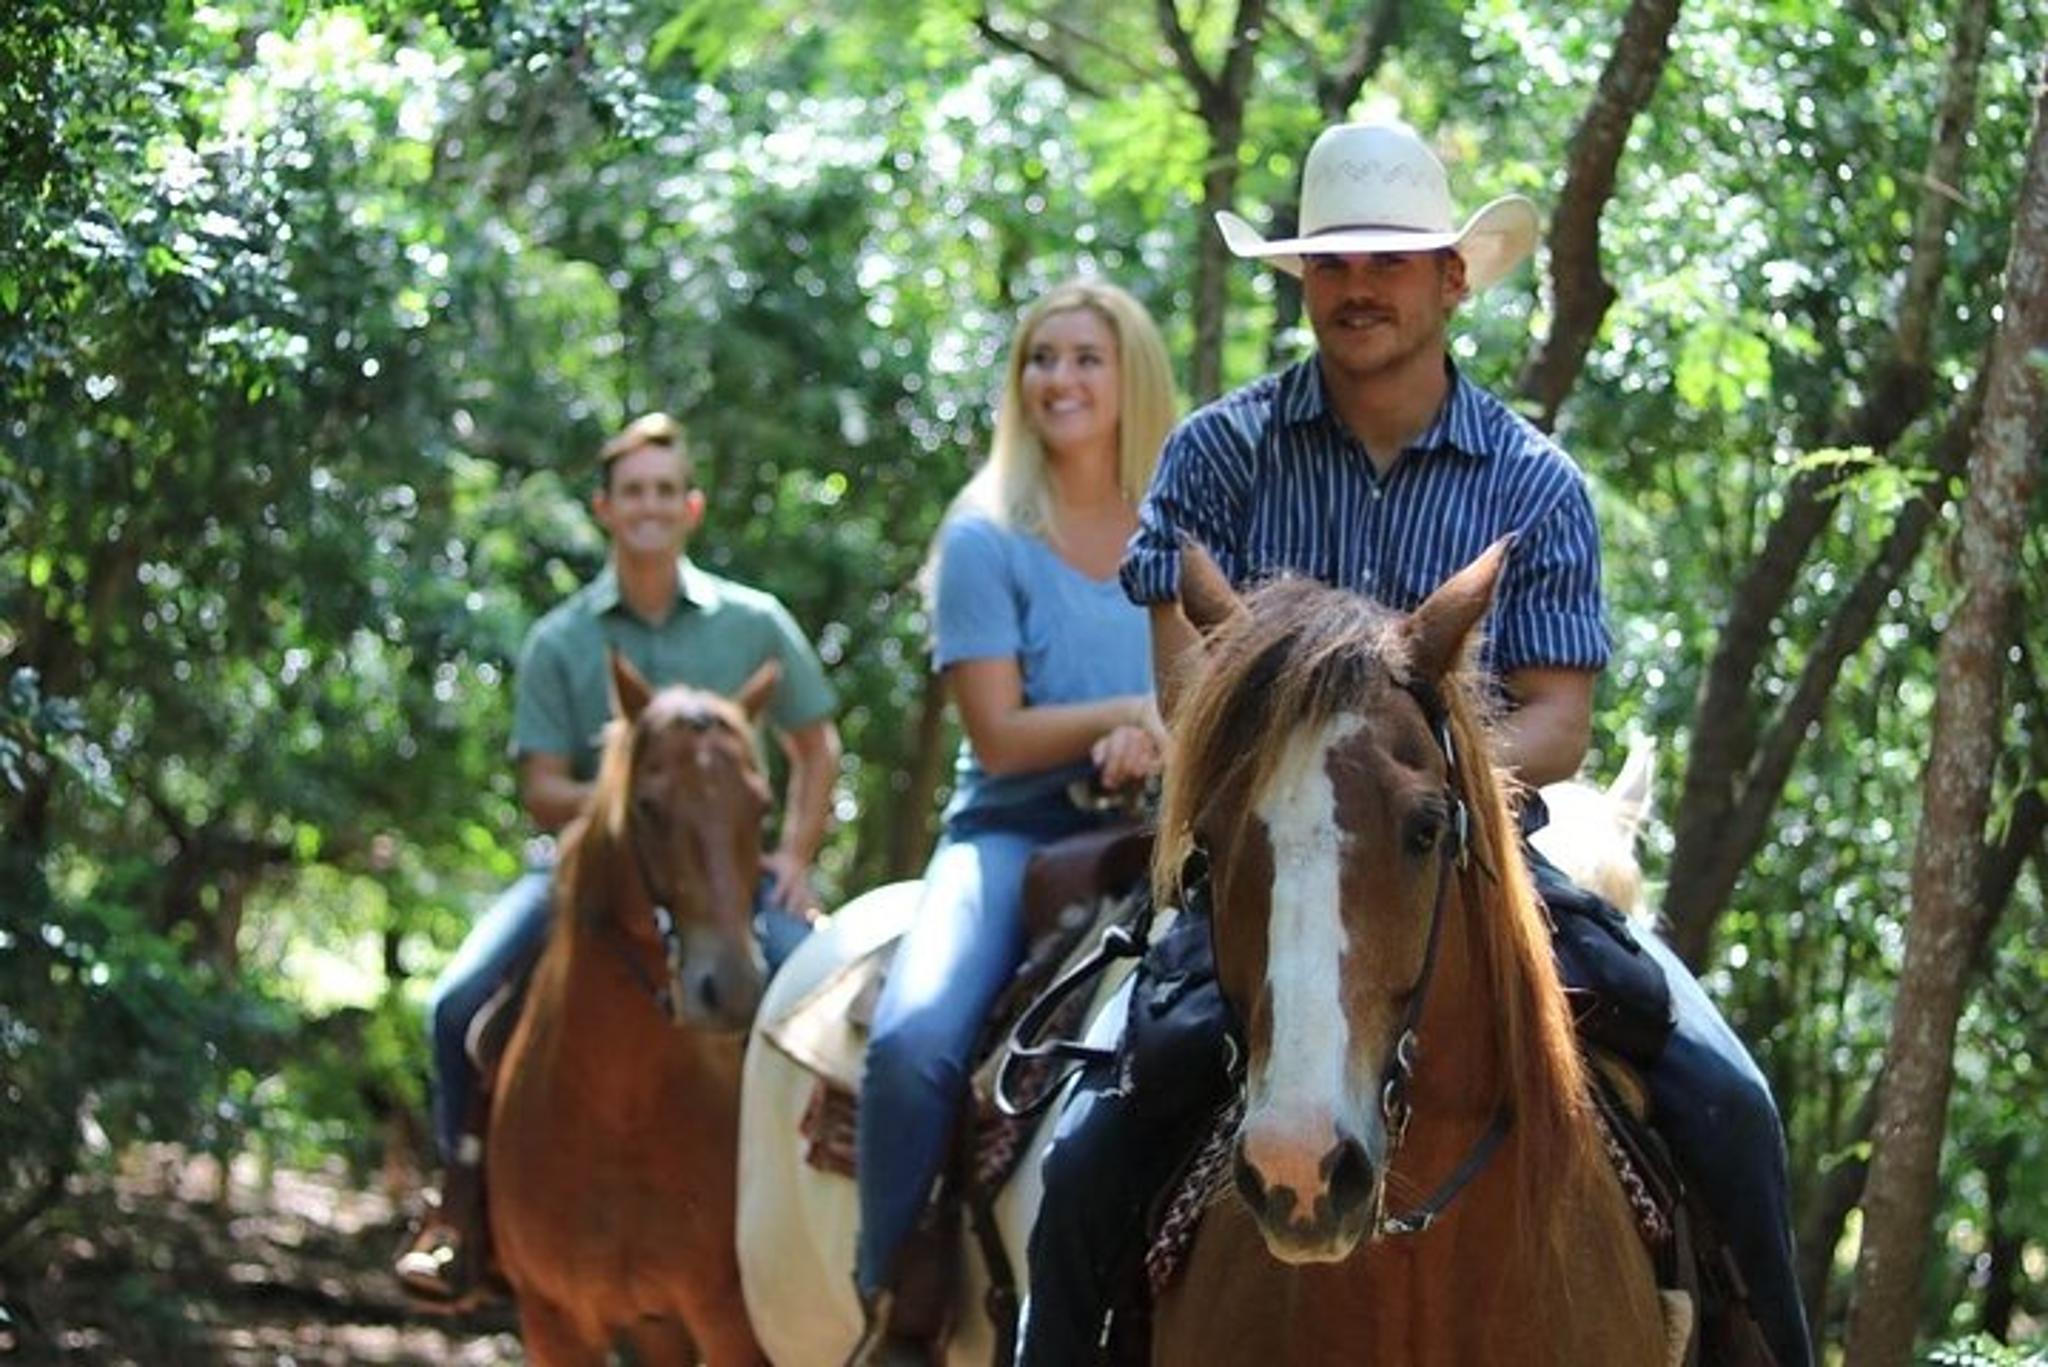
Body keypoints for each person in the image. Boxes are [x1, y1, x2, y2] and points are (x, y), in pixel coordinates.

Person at [1018, 120, 1811, 1367]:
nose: (1358, 286)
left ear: (1449, 278)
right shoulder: (1216, 456)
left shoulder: (1532, 482)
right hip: (1260, 869)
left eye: (1390, 259)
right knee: (1086, 1155)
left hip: (1476, 861)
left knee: (1730, 1104)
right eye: (1331, 263)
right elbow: (1185, 689)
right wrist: (1299, 783)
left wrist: (1408, 793)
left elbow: (1556, 718)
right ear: (1303, 284)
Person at [395, 411, 841, 1304]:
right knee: (455, 1006)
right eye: (632, 491)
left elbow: (816, 745)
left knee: (834, 1017)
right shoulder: (563, 639)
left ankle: (837, 1233)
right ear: (605, 508)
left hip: (726, 878)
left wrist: (792, 852)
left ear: (691, 506)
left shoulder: (753, 623)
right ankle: (460, 1212)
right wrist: (632, 812)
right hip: (586, 874)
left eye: (665, 491)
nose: (650, 506)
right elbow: (542, 786)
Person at [847, 281, 1178, 1363]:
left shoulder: (1181, 521)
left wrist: (1169, 737)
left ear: (1129, 373)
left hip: (1161, 828)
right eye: (1040, 359)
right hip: (1014, 832)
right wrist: (1130, 713)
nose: (1059, 380)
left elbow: (1214, 675)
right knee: (913, 1038)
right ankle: (897, 1290)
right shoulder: (983, 530)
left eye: (1085, 357)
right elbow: (995, 733)